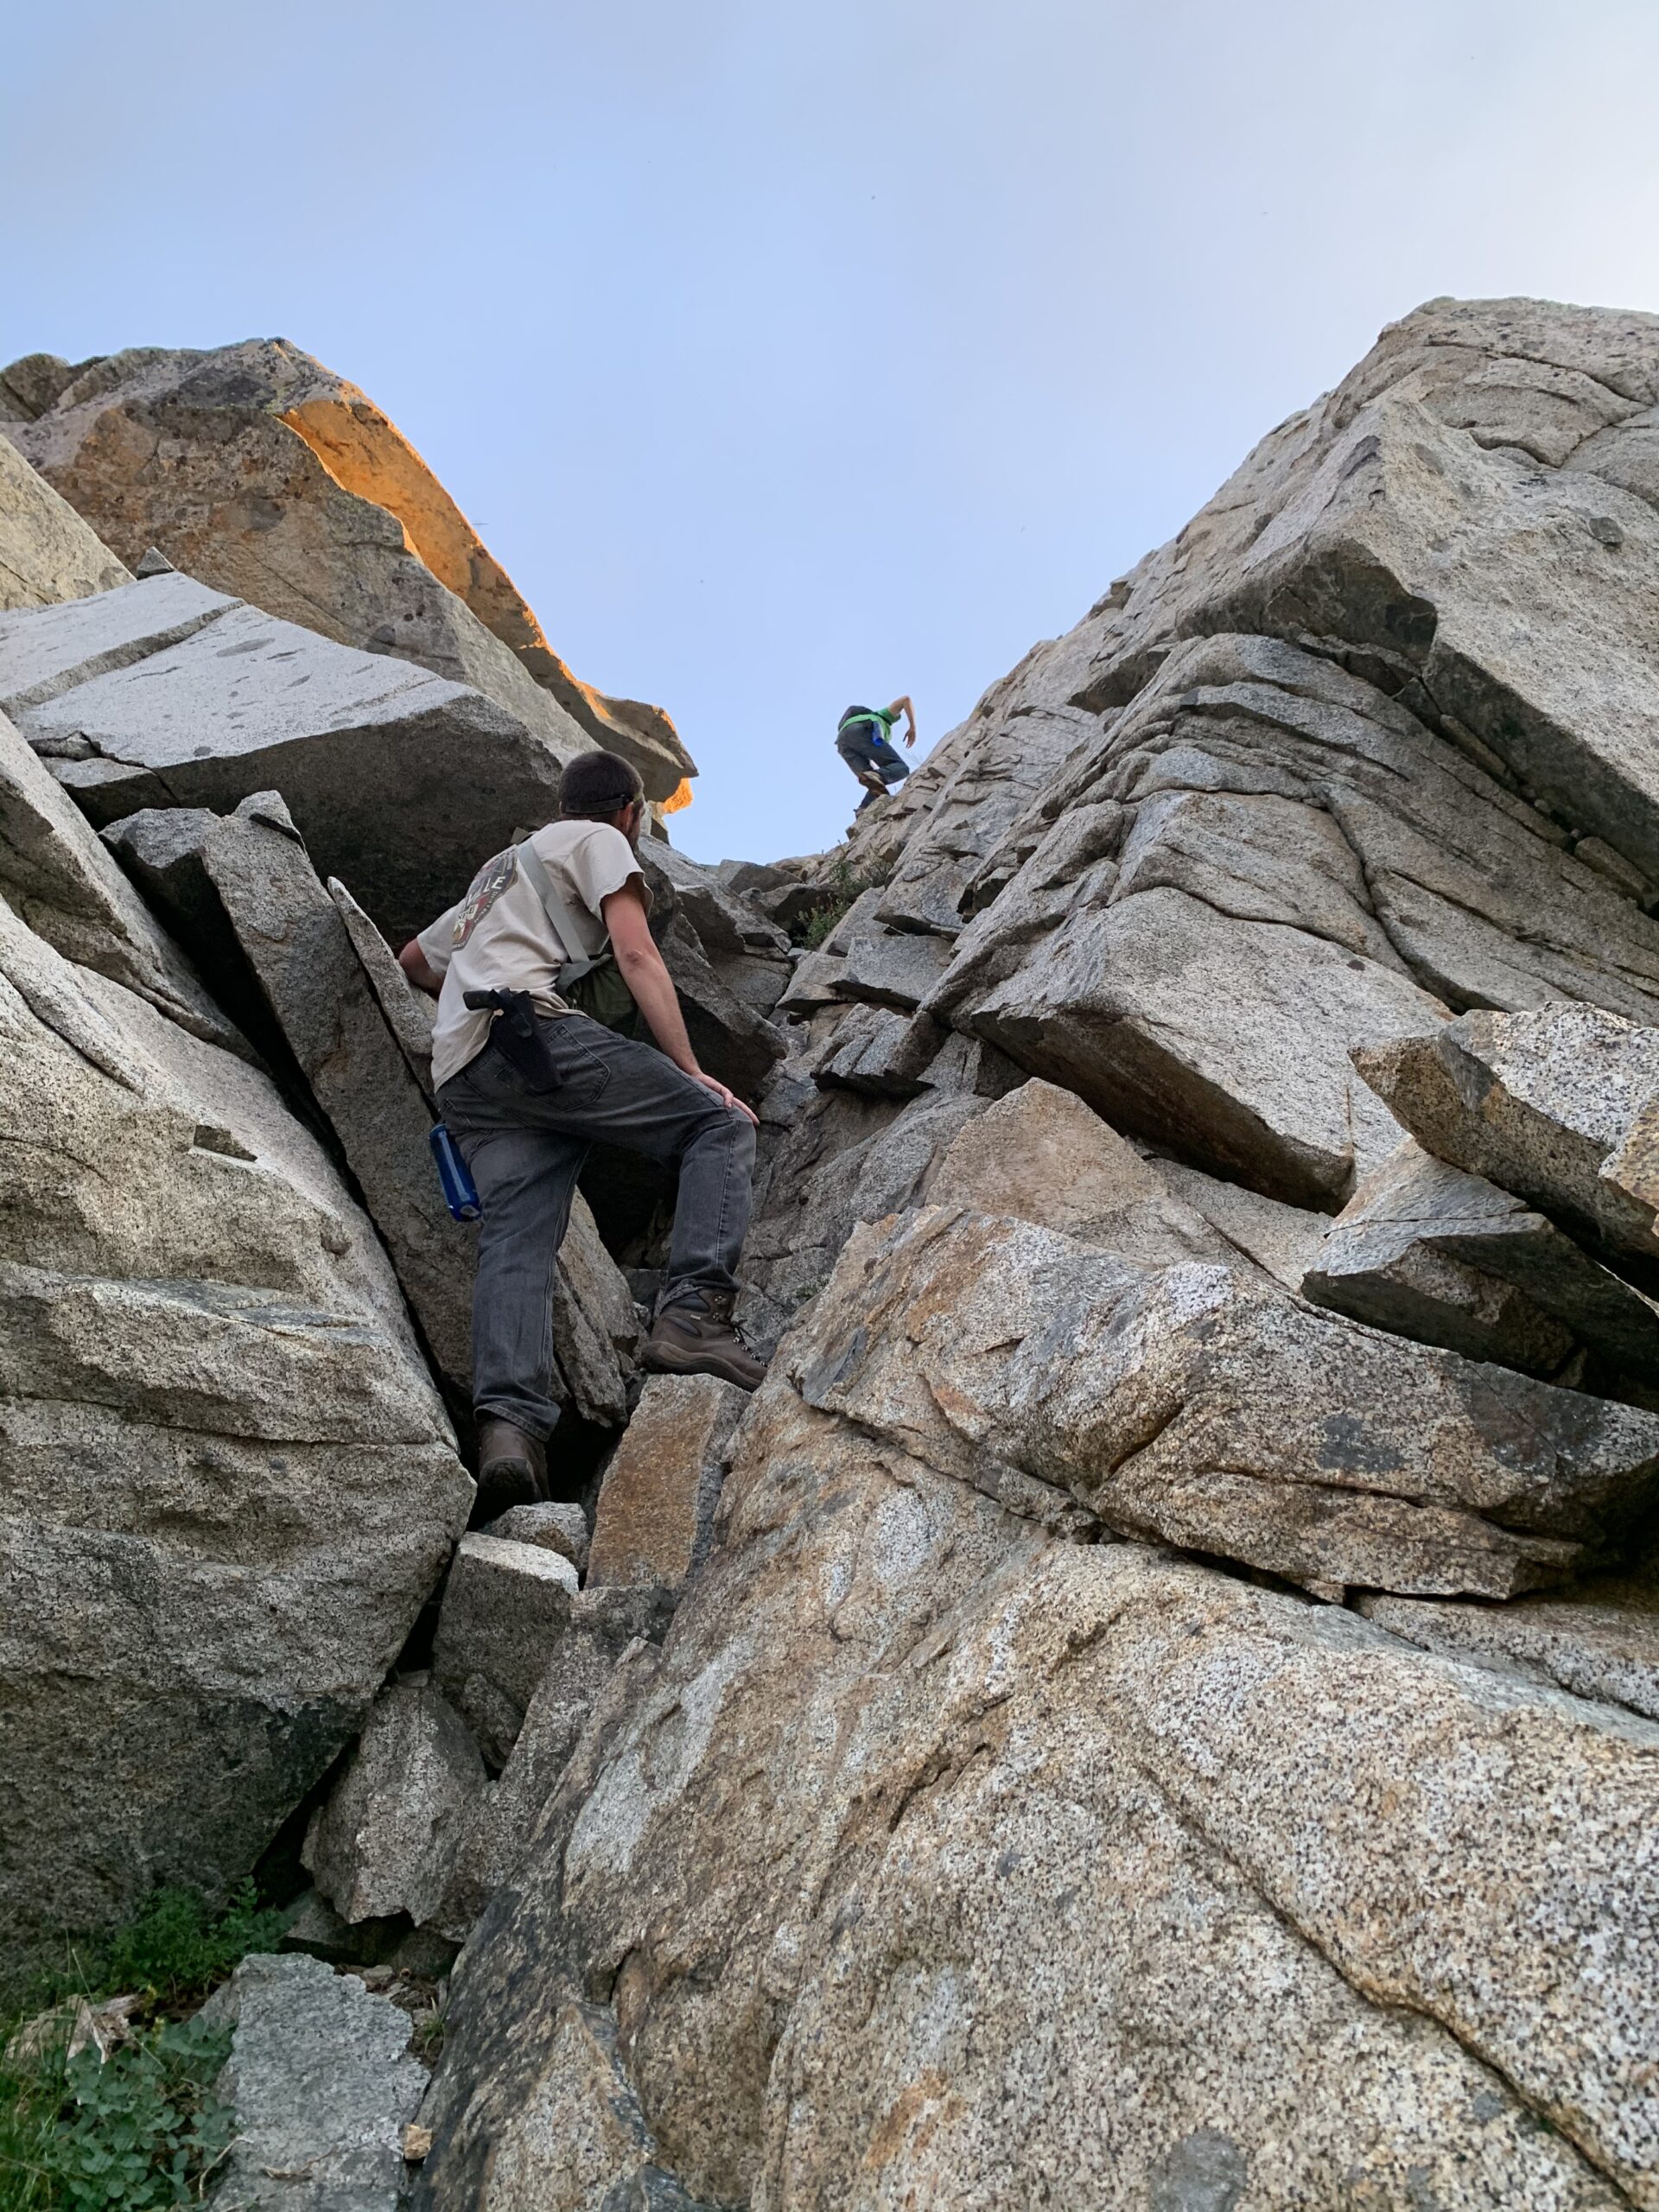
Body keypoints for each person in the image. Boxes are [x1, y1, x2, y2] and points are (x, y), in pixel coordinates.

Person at [398, 750, 766, 1518]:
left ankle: (510, 1434)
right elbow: (635, 951)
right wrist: (692, 1068)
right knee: (718, 1124)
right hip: (530, 1040)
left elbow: (414, 961)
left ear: (563, 802)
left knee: (518, 1240)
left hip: (464, 1078)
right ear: (630, 811)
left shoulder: (497, 873)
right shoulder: (600, 840)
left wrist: (478, 987)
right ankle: (694, 1316)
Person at [836, 696, 917, 810]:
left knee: (875, 784)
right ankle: (875, 782)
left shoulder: (849, 726)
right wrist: (912, 727)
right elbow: (905, 700)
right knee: (901, 768)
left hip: (842, 743)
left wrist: (875, 775)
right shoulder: (881, 715)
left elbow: (872, 775)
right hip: (863, 730)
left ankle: (864, 809)